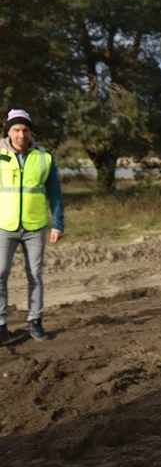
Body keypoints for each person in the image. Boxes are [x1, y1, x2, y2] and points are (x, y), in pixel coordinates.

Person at [0, 109, 64, 343]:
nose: (21, 134)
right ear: (9, 131)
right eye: (16, 129)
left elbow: (55, 194)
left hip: (35, 226)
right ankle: (1, 325)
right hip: (4, 225)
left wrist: (57, 224)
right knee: (0, 274)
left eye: (25, 130)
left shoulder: (43, 157)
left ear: (30, 131)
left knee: (35, 275)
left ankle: (35, 321)